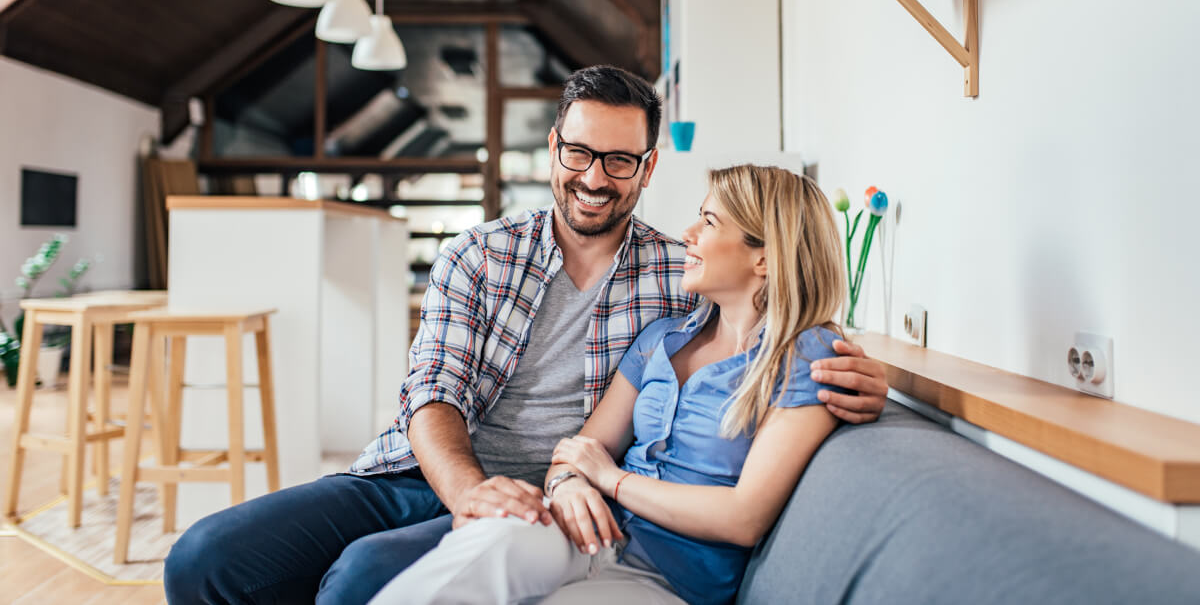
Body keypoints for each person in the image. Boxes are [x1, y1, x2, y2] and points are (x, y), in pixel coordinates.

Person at [163, 66, 888, 605]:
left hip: (547, 500)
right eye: (578, 153)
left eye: (619, 161)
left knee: (358, 580)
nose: (594, 178)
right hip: (423, 474)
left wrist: (867, 374)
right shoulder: (477, 253)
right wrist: (468, 490)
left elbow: (782, 314)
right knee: (204, 559)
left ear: (647, 168)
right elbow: (433, 390)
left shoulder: (683, 274)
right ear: (552, 148)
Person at [368, 164, 848, 605]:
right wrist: (570, 483)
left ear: (763, 258)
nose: (689, 235)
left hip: (667, 576)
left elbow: (743, 518)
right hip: (587, 529)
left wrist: (610, 478)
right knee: (486, 544)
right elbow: (577, 452)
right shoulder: (663, 338)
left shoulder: (805, 358)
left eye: (709, 222)